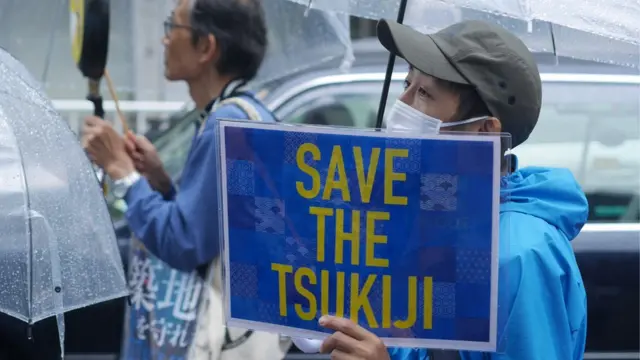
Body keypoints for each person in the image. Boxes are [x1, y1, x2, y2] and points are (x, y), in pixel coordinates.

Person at [310, 19, 589, 360]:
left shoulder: (516, 255)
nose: (403, 104)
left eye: (425, 93)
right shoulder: (429, 215)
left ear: (485, 131)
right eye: (407, 82)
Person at [82, 0, 291, 359]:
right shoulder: (246, 114)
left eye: (172, 28)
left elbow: (183, 243)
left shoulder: (224, 125)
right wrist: (161, 182)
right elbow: (212, 232)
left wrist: (123, 172)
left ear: (207, 47)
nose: (164, 41)